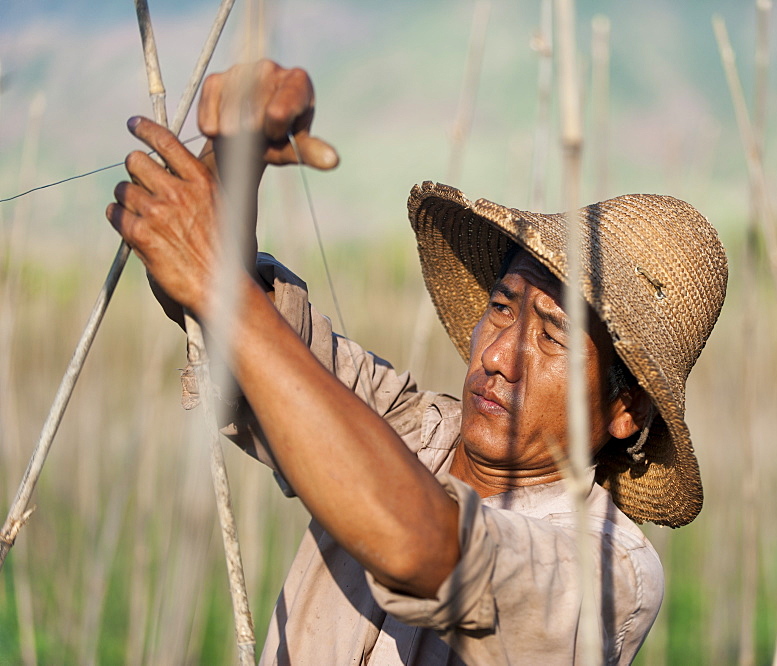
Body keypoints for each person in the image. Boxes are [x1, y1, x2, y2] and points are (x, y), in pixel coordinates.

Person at [106, 61, 727, 664]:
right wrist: (232, 165)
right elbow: (240, 344)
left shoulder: (613, 572)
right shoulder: (411, 425)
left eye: (553, 337)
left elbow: (421, 549)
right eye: (504, 306)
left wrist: (225, 294)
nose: (500, 356)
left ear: (625, 410)